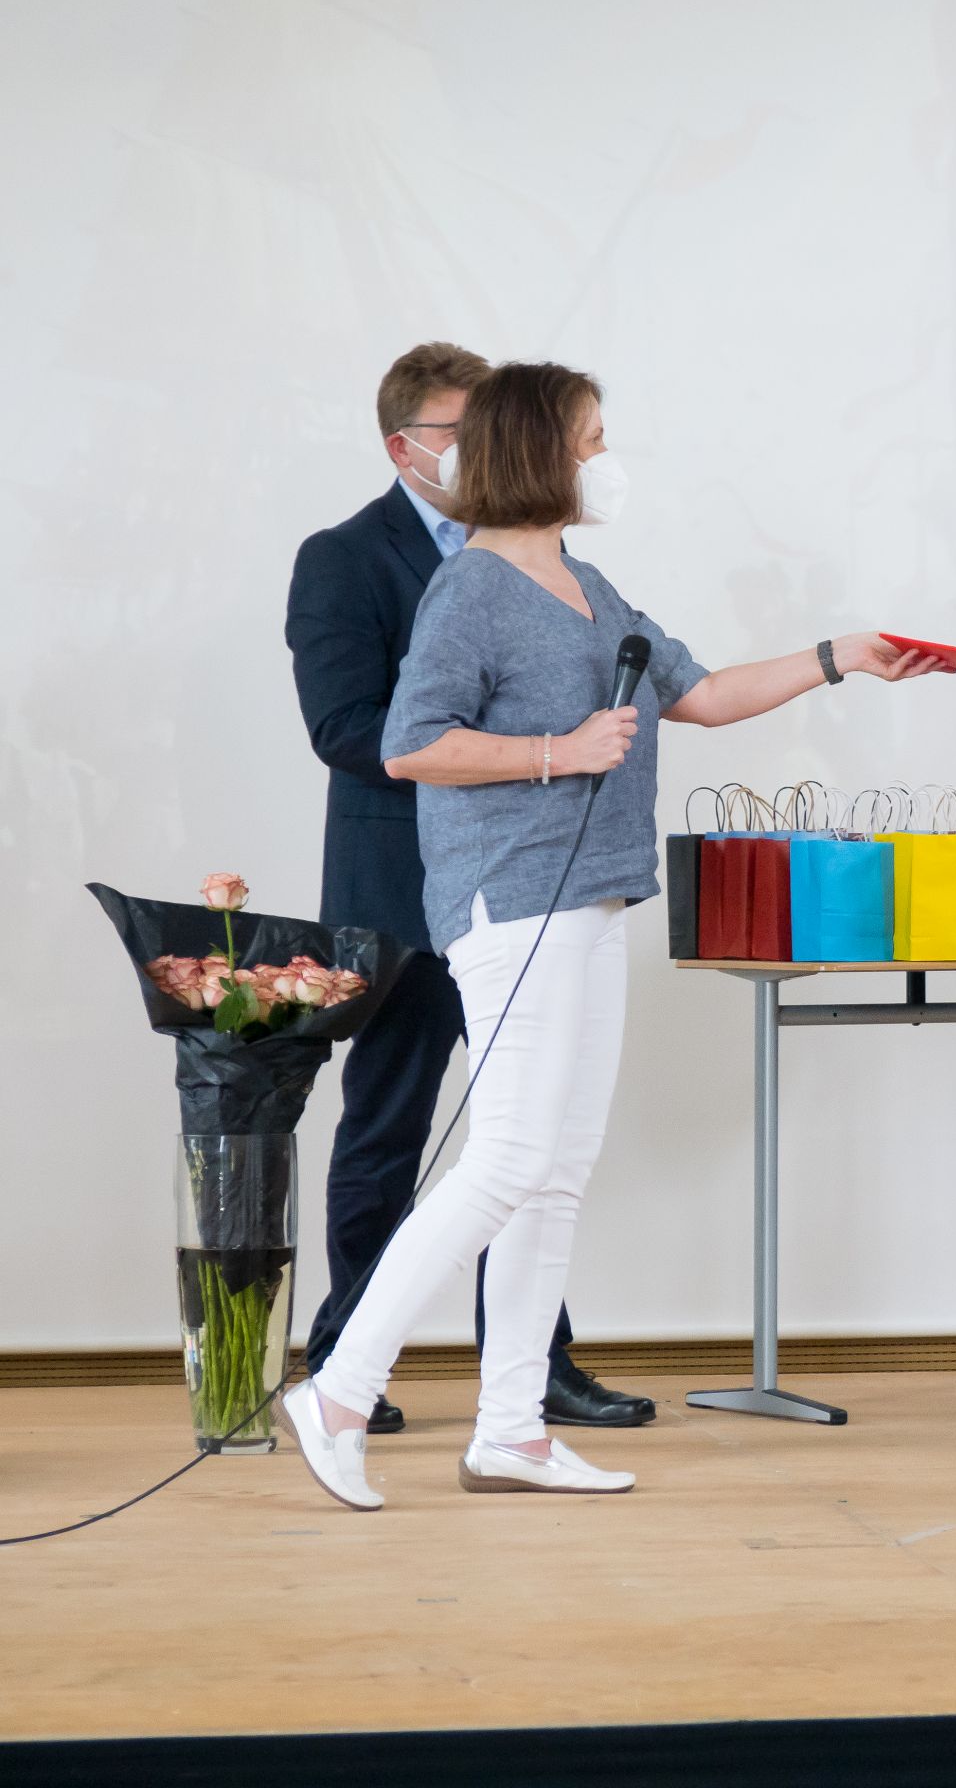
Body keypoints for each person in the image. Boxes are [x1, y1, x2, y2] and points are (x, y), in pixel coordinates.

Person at [277, 359, 943, 1509]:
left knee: (555, 1170)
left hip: (592, 898)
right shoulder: (471, 589)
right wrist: (557, 752)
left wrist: (840, 655)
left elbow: (702, 693)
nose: (602, 459)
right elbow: (407, 741)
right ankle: (337, 1391)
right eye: (590, 440)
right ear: (541, 449)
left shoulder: (585, 582)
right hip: (511, 903)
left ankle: (512, 1429)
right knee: (506, 1162)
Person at [286, 343, 652, 1434]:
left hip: (538, 879)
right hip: (402, 882)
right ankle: (347, 1357)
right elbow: (351, 730)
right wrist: (514, 750)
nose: (485, 446)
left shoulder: (554, 562)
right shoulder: (347, 557)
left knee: (530, 1137)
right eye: (460, 430)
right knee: (392, 1124)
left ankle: (529, 1373)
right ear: (406, 447)